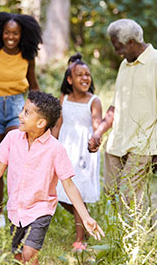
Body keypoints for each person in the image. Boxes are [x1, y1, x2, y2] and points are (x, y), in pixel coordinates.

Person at [0, 91, 105, 265]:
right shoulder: (12, 138)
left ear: (40, 123)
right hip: (16, 209)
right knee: (17, 256)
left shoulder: (56, 149)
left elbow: (69, 185)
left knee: (29, 254)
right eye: (23, 110)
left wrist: (85, 217)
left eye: (26, 112)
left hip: (41, 209)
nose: (19, 115)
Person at [88, 19, 157, 204]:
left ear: (132, 42)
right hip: (117, 142)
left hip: (143, 144)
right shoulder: (125, 65)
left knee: (130, 198)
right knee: (110, 194)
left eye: (119, 47)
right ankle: (120, 233)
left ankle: (140, 233)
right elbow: (115, 106)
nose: (117, 53)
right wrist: (99, 132)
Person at [0, 12, 42, 229]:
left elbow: (33, 85)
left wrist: (42, 109)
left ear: (22, 34)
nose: (11, 37)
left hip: (17, 106)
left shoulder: (27, 56)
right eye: (7, 32)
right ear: (1, 33)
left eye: (15, 33)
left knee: (18, 158)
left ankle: (19, 210)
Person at [52, 53, 102, 251]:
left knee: (78, 193)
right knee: (60, 192)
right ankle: (85, 218)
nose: (85, 78)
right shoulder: (63, 98)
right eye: (79, 75)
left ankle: (80, 241)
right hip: (65, 148)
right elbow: (57, 125)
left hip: (83, 153)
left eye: (87, 74)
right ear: (70, 80)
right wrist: (51, 146)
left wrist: (96, 139)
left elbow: (97, 126)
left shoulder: (94, 101)